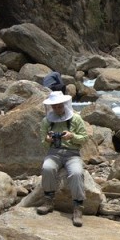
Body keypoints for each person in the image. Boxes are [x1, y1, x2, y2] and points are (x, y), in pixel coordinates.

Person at [36, 91, 89, 227]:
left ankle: (78, 207)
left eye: (60, 106)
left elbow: (84, 138)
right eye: (55, 107)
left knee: (77, 173)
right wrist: (48, 140)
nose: (58, 109)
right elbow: (42, 141)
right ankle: (48, 200)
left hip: (72, 153)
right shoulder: (46, 121)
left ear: (65, 105)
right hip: (54, 152)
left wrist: (72, 136)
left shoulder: (76, 119)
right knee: (47, 168)